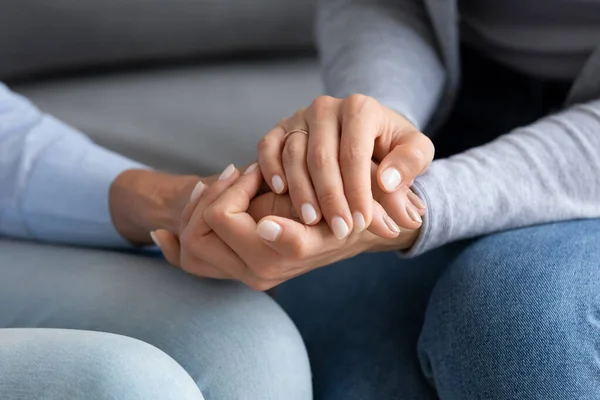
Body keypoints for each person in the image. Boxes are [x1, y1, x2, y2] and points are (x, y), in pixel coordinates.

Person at [158, 0, 600, 398]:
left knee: (518, 321)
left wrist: (417, 205)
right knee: (361, 371)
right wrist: (370, 130)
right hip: (447, 109)